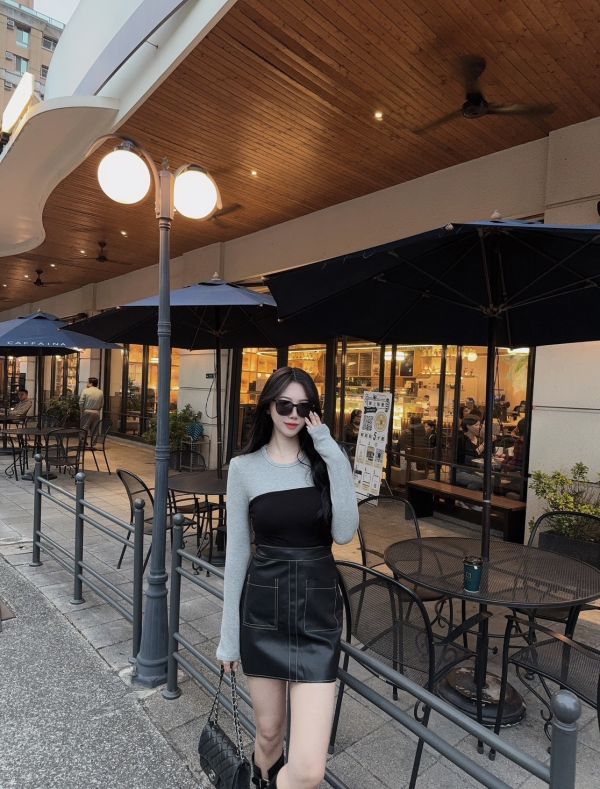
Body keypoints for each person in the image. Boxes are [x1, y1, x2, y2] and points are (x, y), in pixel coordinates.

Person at [216, 367, 359, 789]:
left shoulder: (324, 463)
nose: (293, 414)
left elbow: (344, 533)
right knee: (268, 733)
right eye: (284, 405)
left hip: (316, 614)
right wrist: (228, 636)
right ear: (268, 407)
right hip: (263, 612)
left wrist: (331, 451)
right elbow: (237, 554)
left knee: (310, 769)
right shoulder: (243, 468)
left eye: (303, 406)